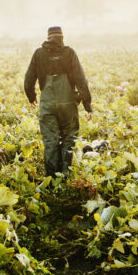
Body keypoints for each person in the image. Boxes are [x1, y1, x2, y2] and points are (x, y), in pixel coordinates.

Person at [24, 26, 92, 177]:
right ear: (62, 38)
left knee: (50, 142)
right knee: (68, 139)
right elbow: (81, 79)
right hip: (68, 104)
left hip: (47, 104)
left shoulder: (39, 54)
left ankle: (52, 180)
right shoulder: (69, 53)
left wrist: (32, 97)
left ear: (48, 38)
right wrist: (87, 105)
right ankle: (65, 175)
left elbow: (28, 79)